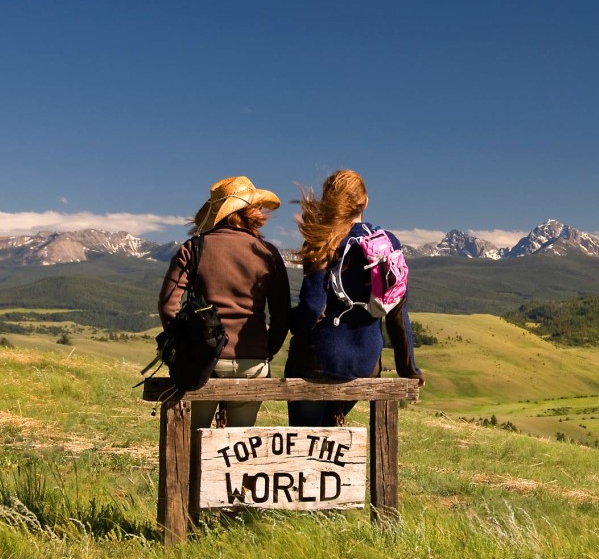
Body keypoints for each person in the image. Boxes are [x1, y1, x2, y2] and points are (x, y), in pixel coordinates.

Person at [286, 169, 425, 426]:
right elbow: (397, 312)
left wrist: (294, 325)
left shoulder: (322, 241)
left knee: (305, 439)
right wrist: (409, 369)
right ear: (365, 202)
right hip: (365, 364)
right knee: (331, 436)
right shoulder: (388, 245)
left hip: (318, 362)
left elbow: (313, 306)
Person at [158, 175, 291, 433]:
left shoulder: (193, 249)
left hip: (203, 360)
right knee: (237, 448)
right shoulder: (268, 253)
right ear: (250, 211)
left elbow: (168, 306)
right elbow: (282, 316)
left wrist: (185, 346)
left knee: (193, 443)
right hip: (252, 361)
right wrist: (266, 350)